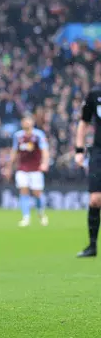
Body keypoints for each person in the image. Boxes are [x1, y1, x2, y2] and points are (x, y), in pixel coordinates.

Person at [6, 114, 50, 227]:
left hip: (36, 169)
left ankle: (41, 213)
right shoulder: (18, 136)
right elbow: (14, 152)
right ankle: (26, 217)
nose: (26, 123)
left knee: (37, 193)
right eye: (24, 121)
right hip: (22, 168)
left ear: (32, 122)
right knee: (23, 190)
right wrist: (9, 167)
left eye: (28, 120)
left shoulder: (38, 135)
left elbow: (44, 150)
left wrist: (45, 163)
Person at [75, 86, 101, 258]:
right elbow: (84, 122)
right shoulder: (95, 94)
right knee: (95, 200)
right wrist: (79, 149)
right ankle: (92, 246)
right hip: (99, 151)